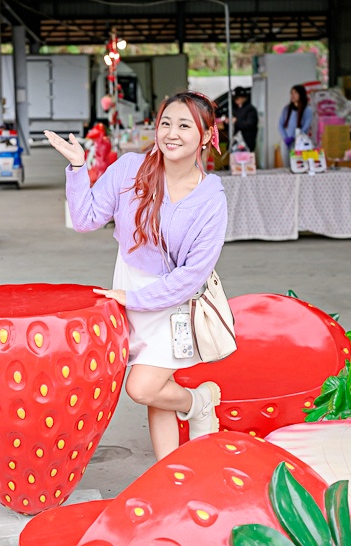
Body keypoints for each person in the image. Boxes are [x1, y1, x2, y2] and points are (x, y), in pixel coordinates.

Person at [44, 91, 228, 461]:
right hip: (127, 286)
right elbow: (86, 219)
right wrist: (79, 169)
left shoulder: (211, 198)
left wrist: (136, 299)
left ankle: (198, 401)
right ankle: (169, 474)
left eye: (184, 125)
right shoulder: (131, 169)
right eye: (165, 123)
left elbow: (193, 274)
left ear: (207, 136)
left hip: (173, 301)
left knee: (143, 387)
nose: (171, 133)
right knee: (160, 386)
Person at [278, 84, 312, 166]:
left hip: (300, 141)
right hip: (286, 141)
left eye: (295, 93)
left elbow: (306, 126)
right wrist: (286, 138)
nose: (293, 95)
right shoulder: (286, 109)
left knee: (299, 165)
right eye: (291, 93)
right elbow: (280, 125)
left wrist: (294, 137)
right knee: (287, 164)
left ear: (301, 94)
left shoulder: (307, 109)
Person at [230, 87, 258, 152]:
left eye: (237, 98)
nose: (236, 101)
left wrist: (236, 121)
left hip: (247, 142)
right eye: (234, 99)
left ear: (243, 97)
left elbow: (250, 124)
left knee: (245, 160)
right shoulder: (237, 108)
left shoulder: (250, 109)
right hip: (237, 140)